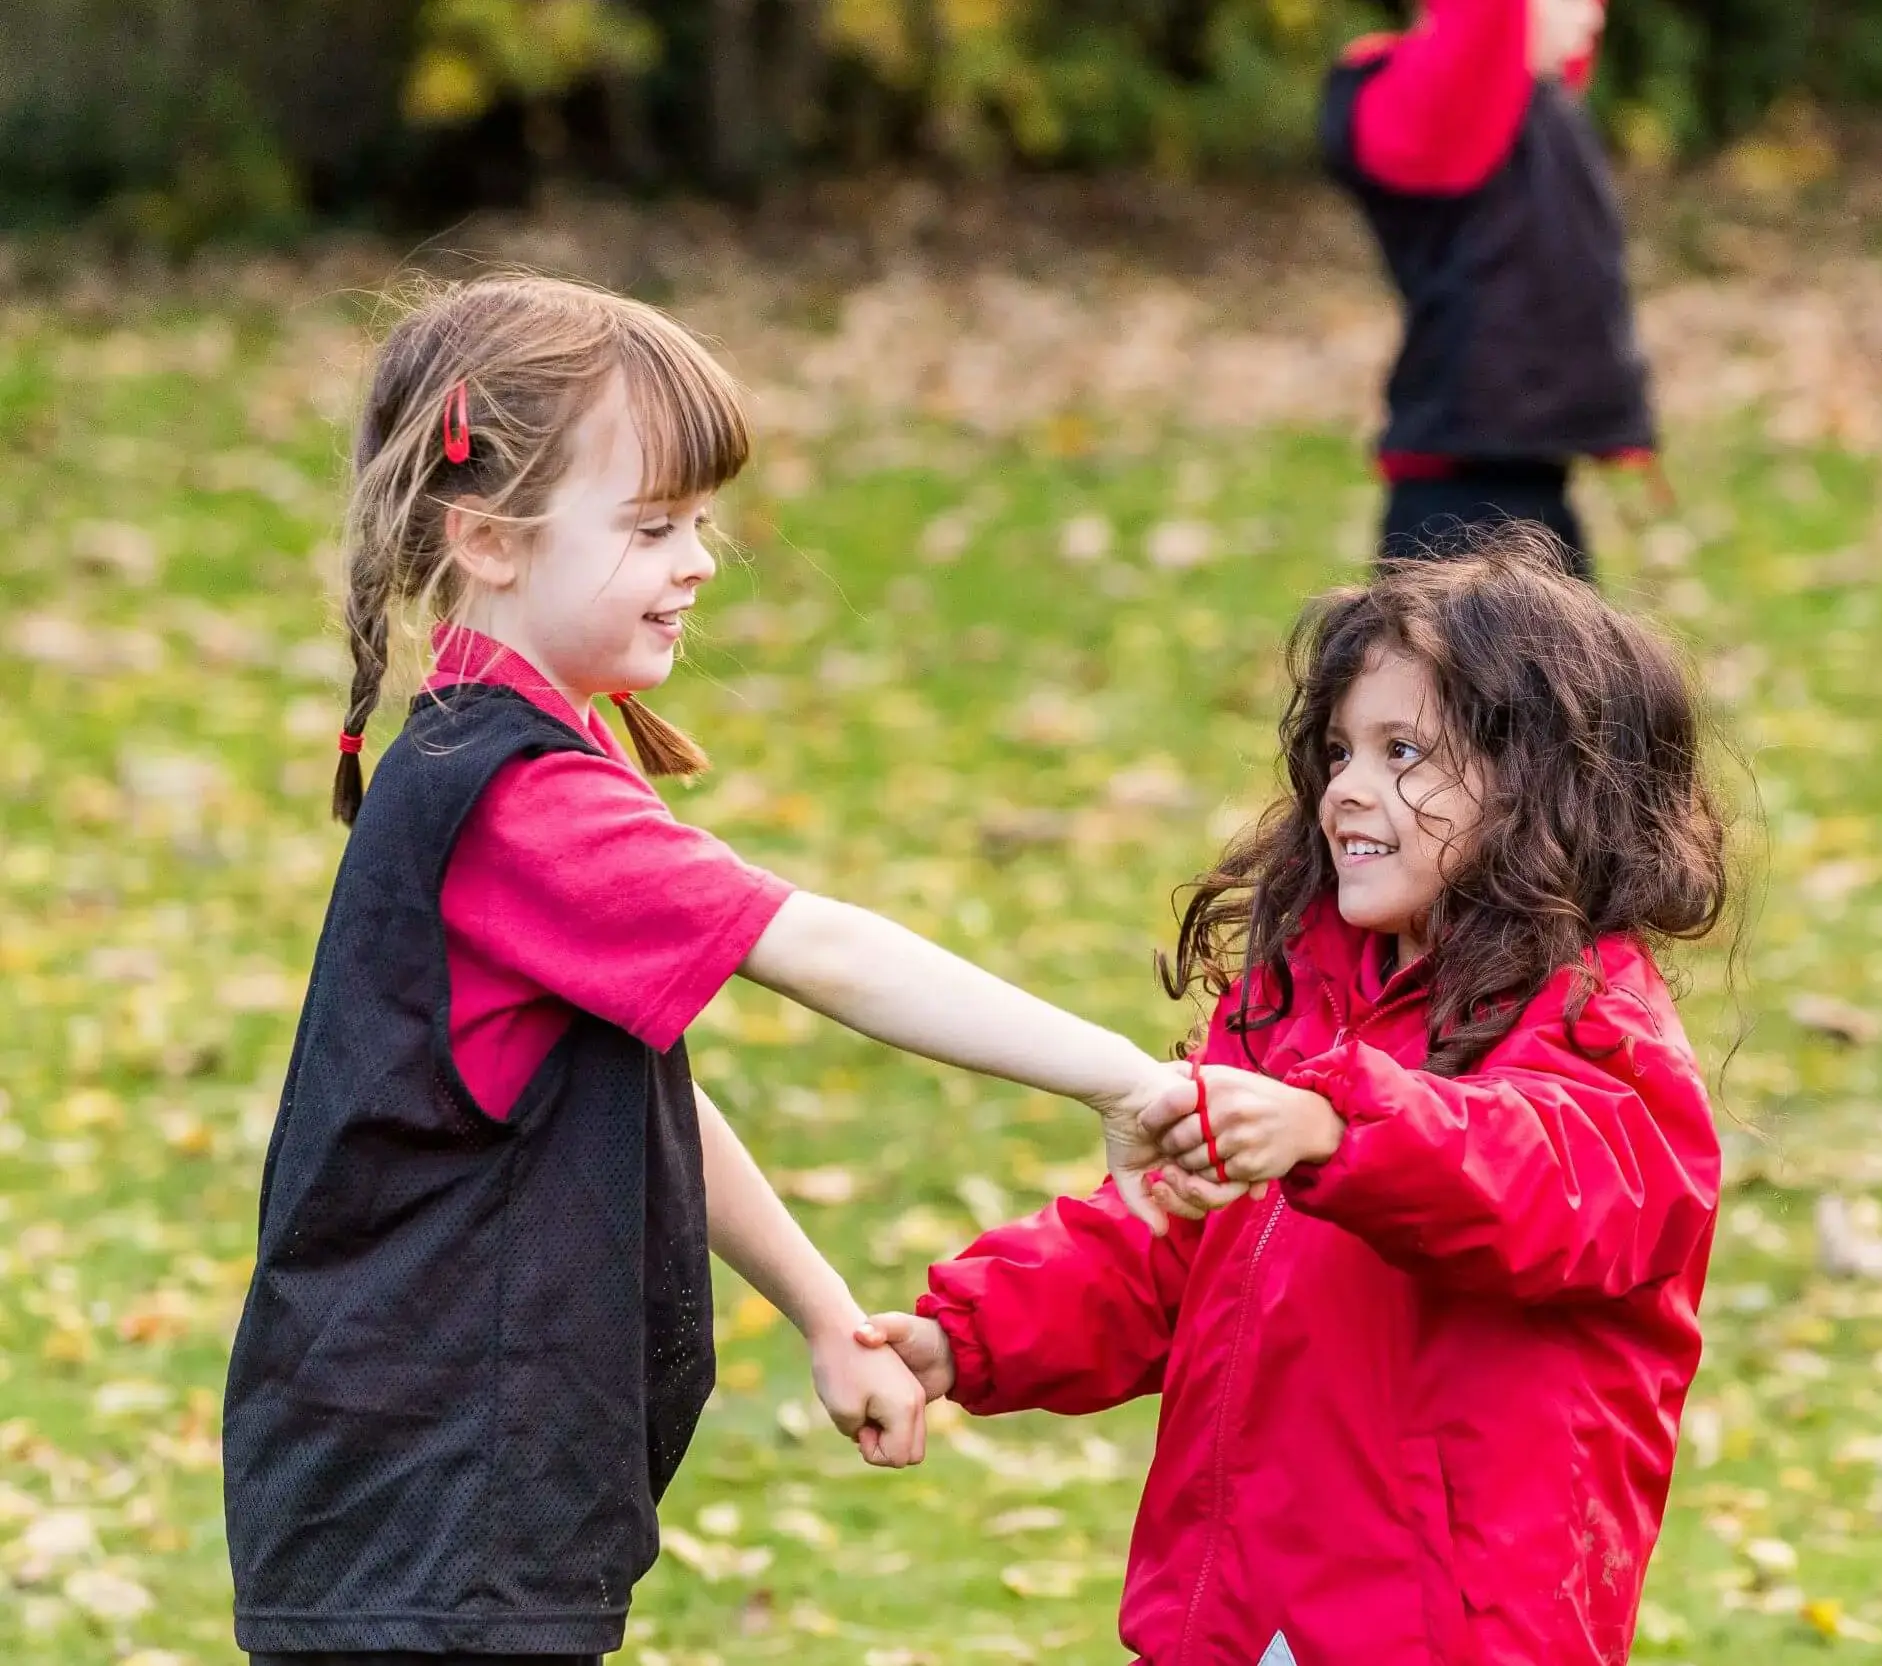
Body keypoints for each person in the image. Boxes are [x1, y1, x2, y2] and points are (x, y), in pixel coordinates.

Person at [221, 273, 1192, 1666]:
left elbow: (630, 1093)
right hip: (426, 1510)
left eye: (700, 523)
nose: (697, 561)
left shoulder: (503, 746)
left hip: (429, 1500)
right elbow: (826, 951)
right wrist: (1119, 1076)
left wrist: (822, 1308)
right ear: (490, 538)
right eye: (651, 526)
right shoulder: (512, 795)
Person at [858, 535, 1728, 1665]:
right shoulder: (1299, 1004)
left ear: (1543, 784)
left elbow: (1542, 1185)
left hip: (1445, 1628)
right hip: (1240, 1605)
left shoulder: (1596, 1028)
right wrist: (962, 1340)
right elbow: (1162, 1243)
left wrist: (1334, 1126)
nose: (1348, 789)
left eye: (1404, 750)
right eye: (1338, 750)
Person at [1322, 0, 1655, 576]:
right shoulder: (1428, 112)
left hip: (1535, 483)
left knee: (1578, 668)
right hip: (1456, 511)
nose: (1593, 17)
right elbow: (1482, 29)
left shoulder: (1532, 106)